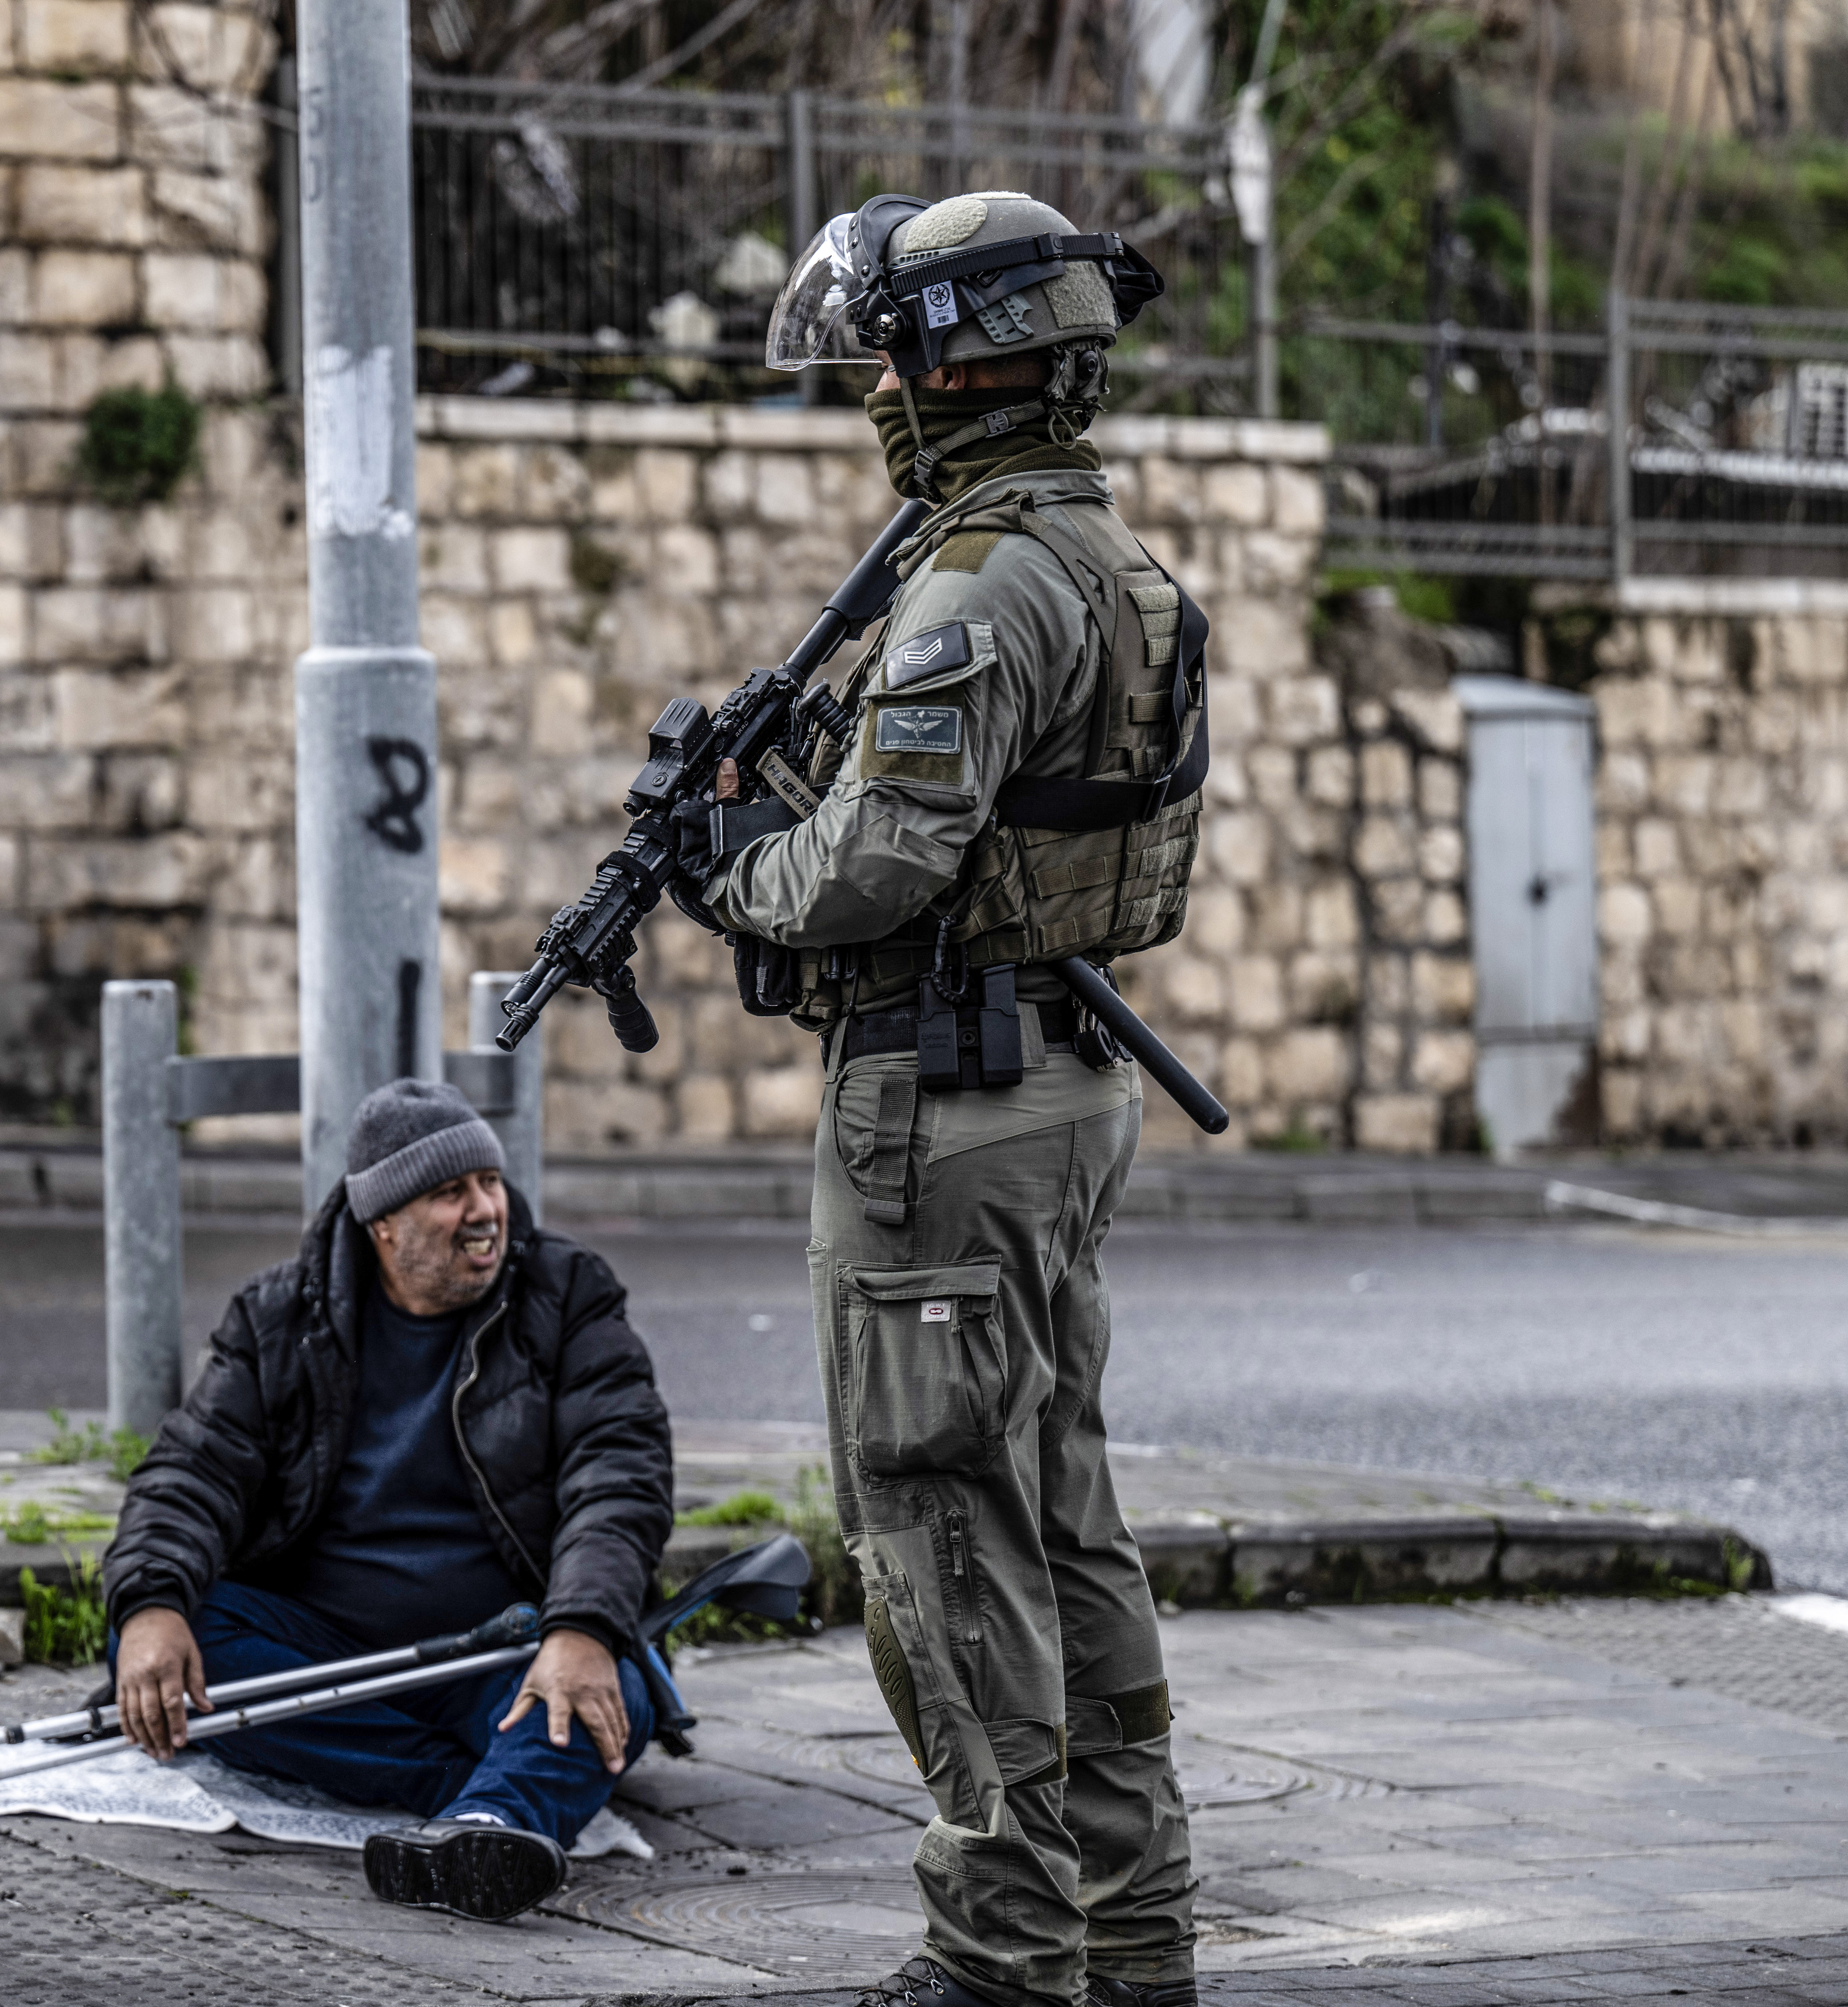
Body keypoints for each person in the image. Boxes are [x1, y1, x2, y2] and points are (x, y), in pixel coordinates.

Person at [698, 193, 1209, 2007]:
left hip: (940, 1103)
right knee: (1061, 1518)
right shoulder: (1112, 563)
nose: (871, 393)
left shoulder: (976, 586)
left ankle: (1000, 1950)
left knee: (934, 1528)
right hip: (1060, 1087)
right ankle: (1130, 1932)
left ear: (952, 362)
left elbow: (875, 869)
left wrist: (736, 870)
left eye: (886, 358)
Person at [102, 1078, 673, 1922]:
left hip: (502, 1649)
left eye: (489, 1182)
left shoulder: (569, 1294)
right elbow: (191, 1472)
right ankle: (472, 1781)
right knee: (160, 1638)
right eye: (451, 1193)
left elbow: (619, 1475)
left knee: (608, 1685)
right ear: (384, 1227)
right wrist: (152, 1602)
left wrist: (581, 1627)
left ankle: (489, 1823)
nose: (487, 1209)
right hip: (325, 1653)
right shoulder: (277, 1316)